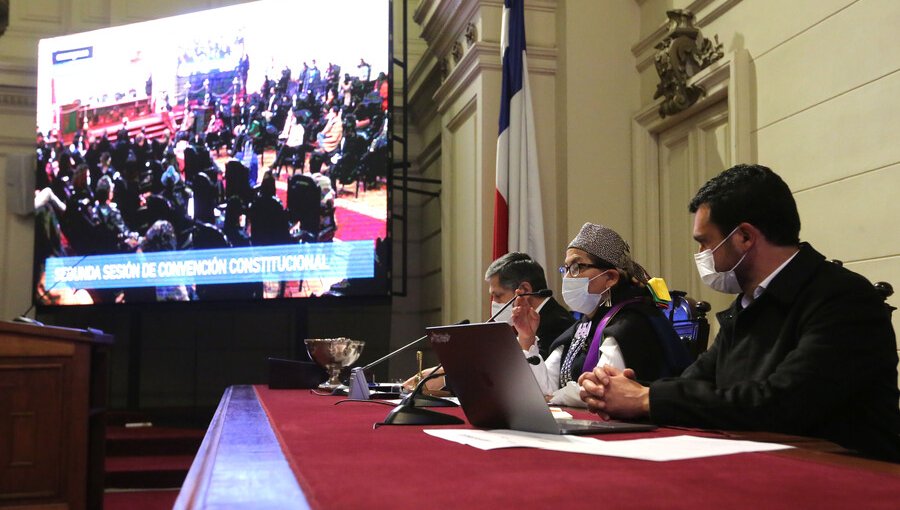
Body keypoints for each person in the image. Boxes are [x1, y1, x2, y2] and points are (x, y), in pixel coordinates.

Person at [578, 164, 900, 462]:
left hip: (847, 471)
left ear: (744, 237)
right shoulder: (748, 303)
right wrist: (626, 390)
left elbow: (781, 404)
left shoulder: (844, 298)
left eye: (705, 243)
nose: (702, 255)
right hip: (765, 461)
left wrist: (648, 399)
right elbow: (697, 382)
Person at [512, 223, 690, 407]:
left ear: (611, 278)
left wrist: (556, 397)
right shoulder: (582, 325)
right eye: (566, 269)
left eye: (576, 267)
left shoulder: (631, 323)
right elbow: (540, 389)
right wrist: (527, 338)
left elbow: (602, 388)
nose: (567, 278)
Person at [485, 252, 573, 359]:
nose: (494, 303)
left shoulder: (556, 326)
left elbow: (533, 373)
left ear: (524, 290)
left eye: (498, 295)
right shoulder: (524, 323)